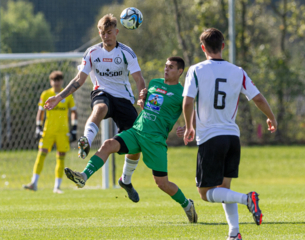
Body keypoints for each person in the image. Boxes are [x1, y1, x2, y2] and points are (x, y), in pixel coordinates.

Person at [64, 57, 198, 223]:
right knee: (108, 145)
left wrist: (187, 127)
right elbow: (147, 104)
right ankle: (83, 176)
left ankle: (187, 204)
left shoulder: (182, 93)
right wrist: (143, 97)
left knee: (162, 183)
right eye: (165, 66)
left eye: (171, 67)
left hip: (155, 140)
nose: (166, 69)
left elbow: (193, 115)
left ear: (179, 72)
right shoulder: (155, 83)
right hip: (136, 131)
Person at [181, 28, 277, 240]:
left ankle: (247, 199)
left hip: (210, 138)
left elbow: (188, 101)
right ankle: (234, 234)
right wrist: (271, 117)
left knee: (205, 193)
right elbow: (258, 98)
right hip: (233, 138)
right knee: (224, 188)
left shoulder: (196, 70)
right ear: (223, 46)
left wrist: (189, 126)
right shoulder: (238, 71)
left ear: (203, 48)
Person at [44, 14, 146, 199]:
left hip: (123, 99)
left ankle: (126, 180)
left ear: (116, 32)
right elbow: (79, 80)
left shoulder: (126, 53)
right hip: (102, 93)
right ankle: (87, 141)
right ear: (99, 33)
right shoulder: (92, 53)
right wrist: (59, 97)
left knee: (135, 145)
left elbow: (139, 78)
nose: (106, 36)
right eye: (102, 33)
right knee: (99, 108)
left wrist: (142, 96)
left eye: (109, 32)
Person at [23, 71, 78, 194]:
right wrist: (38, 127)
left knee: (61, 157)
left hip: (62, 131)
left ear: (62, 81)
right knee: (41, 154)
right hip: (48, 130)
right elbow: (40, 111)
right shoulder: (46, 94)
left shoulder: (67, 94)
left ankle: (57, 187)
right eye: (54, 80)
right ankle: (34, 183)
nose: (56, 82)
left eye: (58, 80)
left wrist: (74, 128)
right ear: (50, 82)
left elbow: (74, 111)